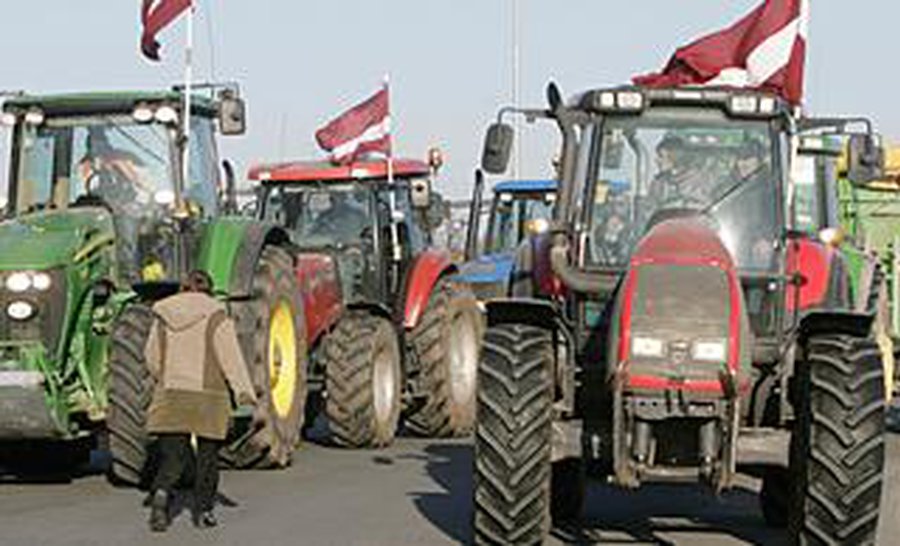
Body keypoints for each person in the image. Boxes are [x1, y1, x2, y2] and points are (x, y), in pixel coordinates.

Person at [143, 270, 257, 532]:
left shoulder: (163, 316)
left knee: (174, 457)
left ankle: (161, 497)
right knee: (208, 458)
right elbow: (231, 359)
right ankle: (204, 512)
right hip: (209, 397)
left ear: (183, 289)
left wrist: (167, 379)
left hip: (171, 394)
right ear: (209, 290)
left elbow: (151, 356)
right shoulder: (217, 315)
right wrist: (244, 392)